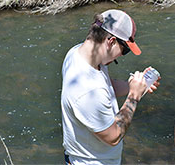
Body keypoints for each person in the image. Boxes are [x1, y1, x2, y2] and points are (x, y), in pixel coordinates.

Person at [60, 9, 161, 164]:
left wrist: (134, 86)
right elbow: (113, 137)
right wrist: (133, 96)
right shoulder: (88, 90)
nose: (121, 55)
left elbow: (107, 85)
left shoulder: (78, 53)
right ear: (111, 41)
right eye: (125, 50)